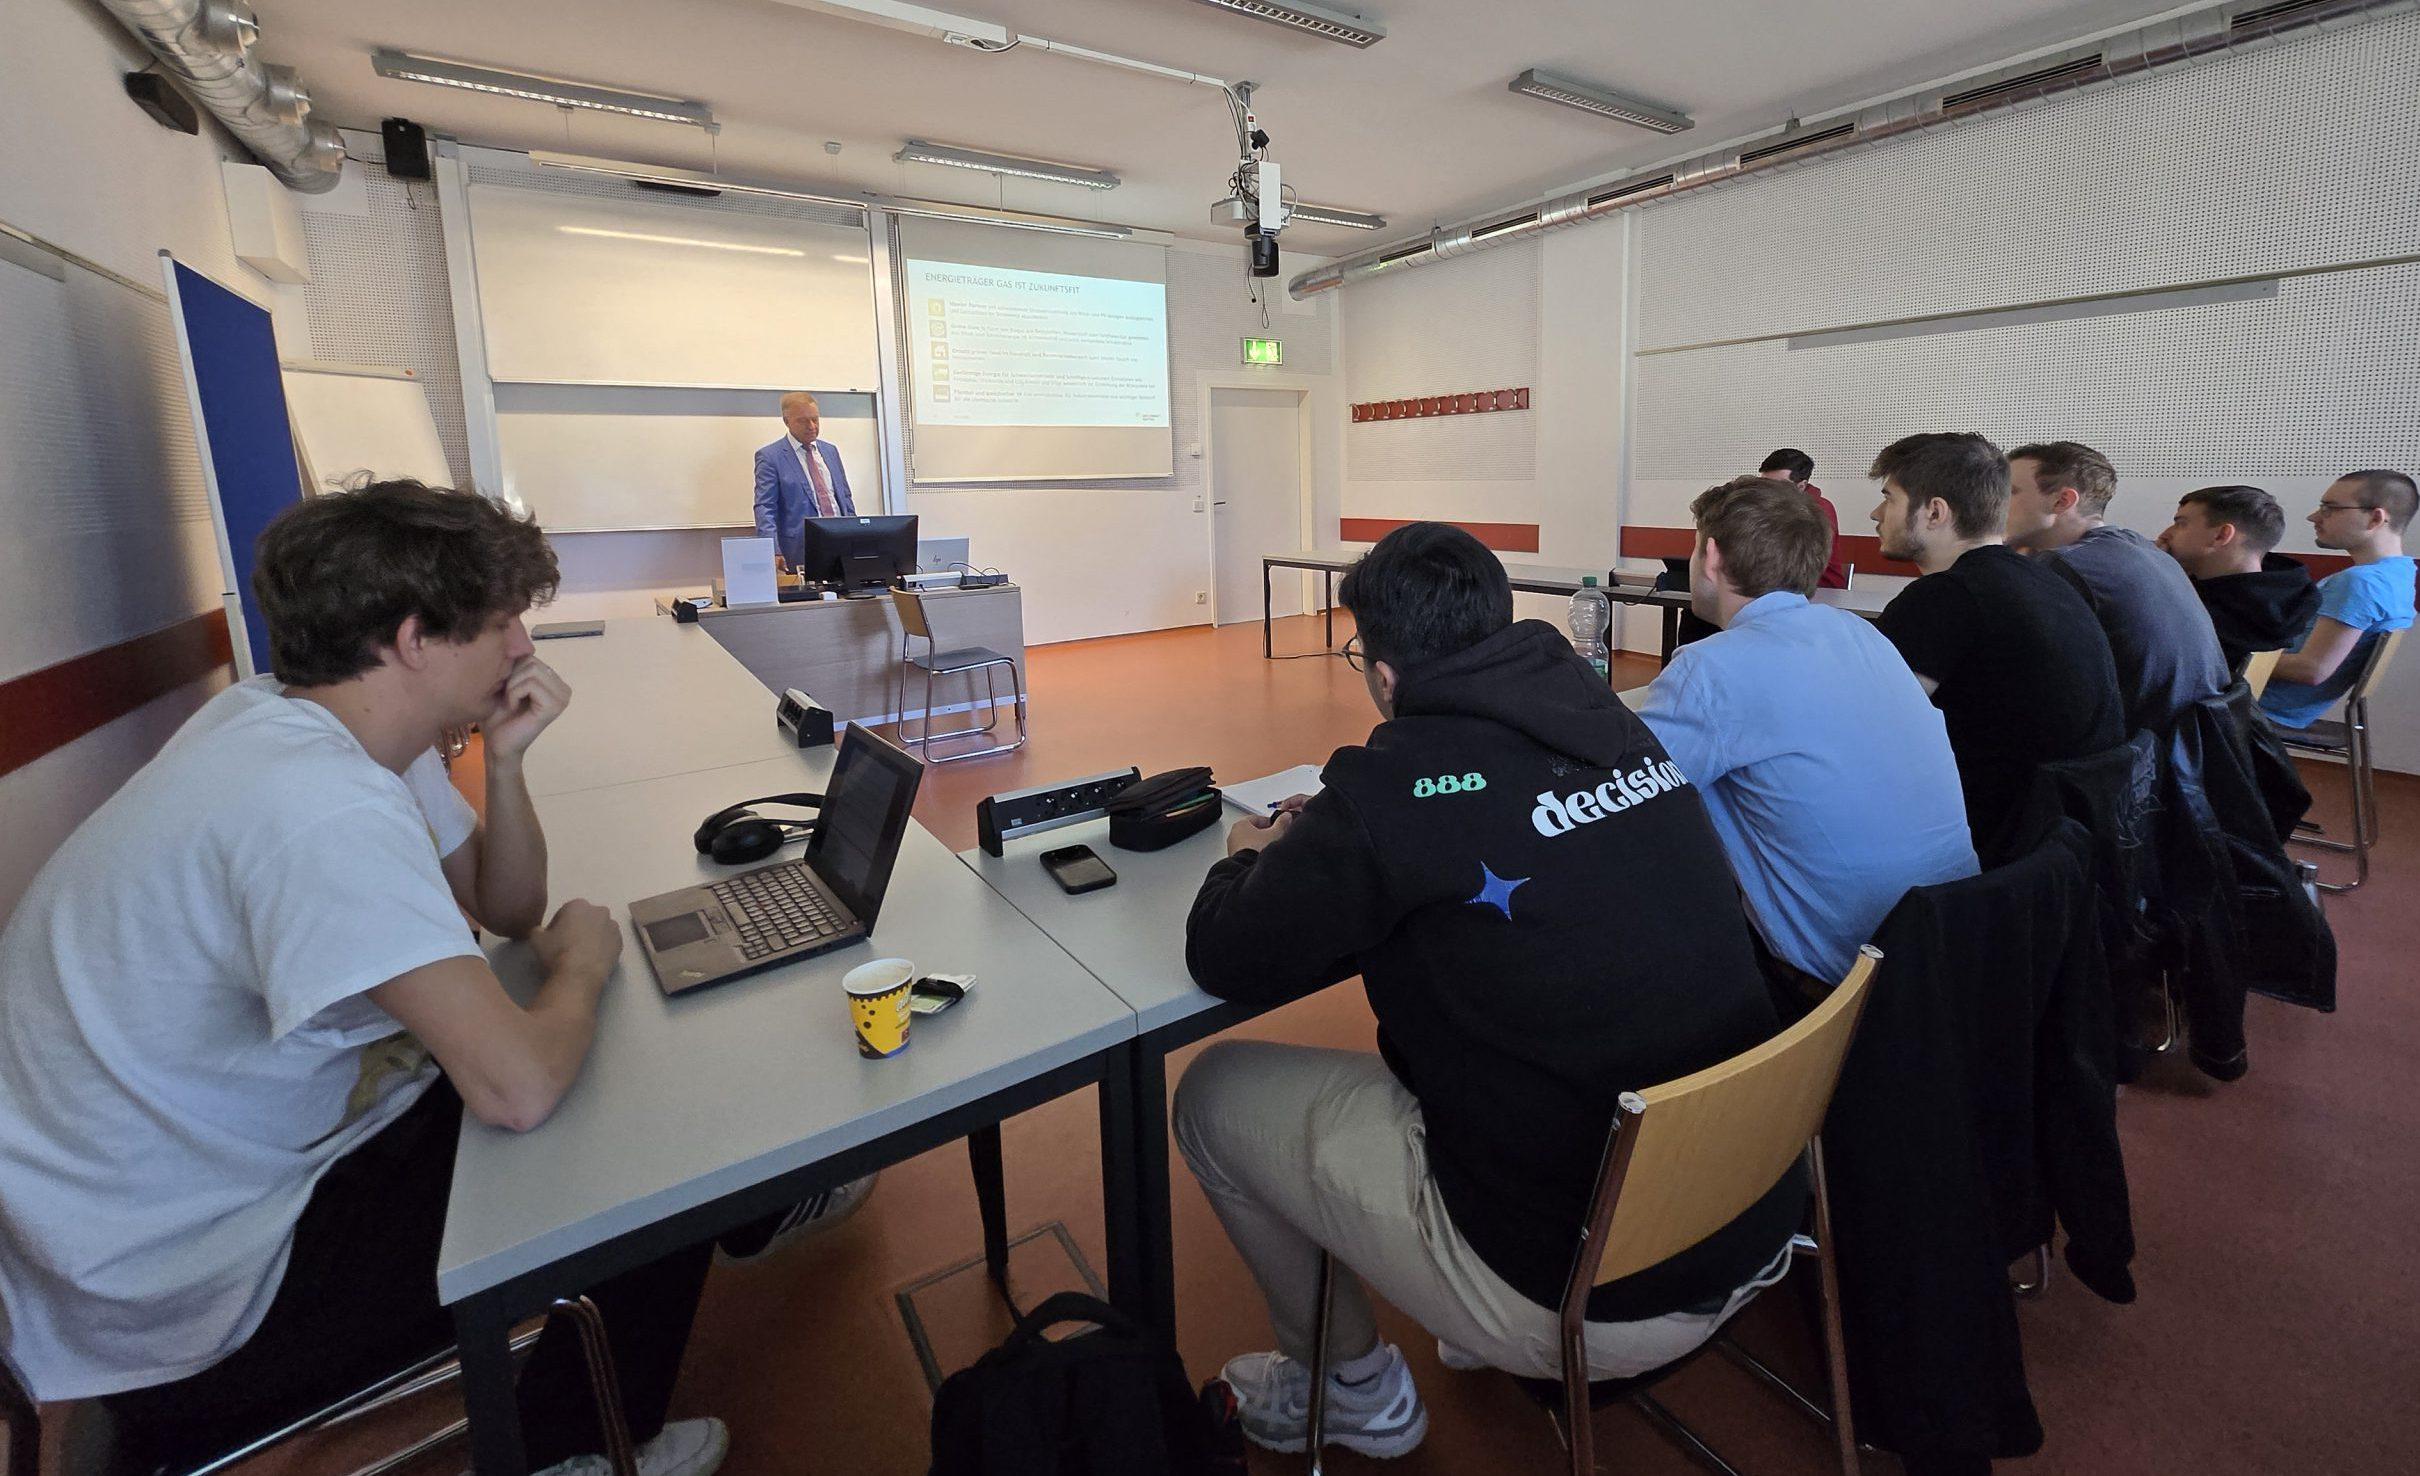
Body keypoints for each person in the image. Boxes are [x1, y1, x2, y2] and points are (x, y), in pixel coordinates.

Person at [0, 482, 727, 1476]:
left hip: (158, 1223)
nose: (523, 646)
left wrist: (506, 760)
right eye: (502, 623)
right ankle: (579, 1447)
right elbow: (516, 1088)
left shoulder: (303, 720)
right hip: (187, 1305)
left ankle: (753, 1214)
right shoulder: (319, 807)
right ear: (415, 639)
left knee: (599, 1077)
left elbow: (510, 907)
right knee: (654, 1160)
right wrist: (586, 964)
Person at [1173, 523, 1802, 1460]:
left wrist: (1244, 857)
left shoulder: (1390, 784)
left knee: (1212, 1094)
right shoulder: (1617, 725)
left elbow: (1225, 953)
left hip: (1589, 1288)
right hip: (1750, 1208)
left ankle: (1351, 1389)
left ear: (1385, 674)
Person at [1638, 477, 1977, 992]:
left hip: (1841, 983)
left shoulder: (1709, 668)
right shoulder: (1863, 634)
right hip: (1954, 947)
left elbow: (1633, 796)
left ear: (1711, 557)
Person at [1868, 433, 2125, 852]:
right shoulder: (2042, 579)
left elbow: (1869, 731)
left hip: (1991, 848)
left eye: (1889, 499)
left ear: (1935, 512)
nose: (1876, 514)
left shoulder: (1945, 596)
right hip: (2069, 844)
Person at [2003, 440, 2228, 734]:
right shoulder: (2140, 548)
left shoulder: (2066, 566)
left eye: (2009, 492)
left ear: (2062, 501)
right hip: (2196, 741)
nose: (1994, 502)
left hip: (2137, 751)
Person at [2259, 470, 2418, 729]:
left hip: (2263, 707)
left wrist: (2231, 657)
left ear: (2376, 518)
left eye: (2329, 508)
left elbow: (2311, 670)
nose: (2313, 517)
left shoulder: (2361, 583)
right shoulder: (2400, 574)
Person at [2155, 485, 2321, 676]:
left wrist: (2153, 570)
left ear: (2221, 535)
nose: (2165, 534)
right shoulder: (2282, 600)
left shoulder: (2199, 617)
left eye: (2181, 524)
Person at [753, 391, 858, 574]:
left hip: (841, 544)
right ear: (786, 421)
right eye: (802, 421)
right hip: (800, 549)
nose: (811, 426)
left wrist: (857, 536)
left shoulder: (830, 451)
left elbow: (845, 498)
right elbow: (765, 507)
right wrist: (771, 549)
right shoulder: (770, 457)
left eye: (815, 419)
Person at [1757, 447, 1850, 589]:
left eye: (1778, 486)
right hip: (1781, 588)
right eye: (1764, 484)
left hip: (1820, 590)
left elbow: (1794, 561)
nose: (1768, 491)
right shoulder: (1767, 506)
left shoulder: (1820, 509)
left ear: (1801, 486)